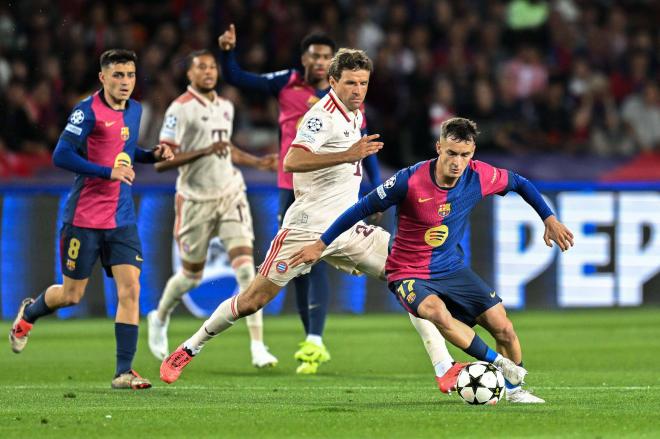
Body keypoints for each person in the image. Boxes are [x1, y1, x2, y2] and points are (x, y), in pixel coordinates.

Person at [160, 49, 467, 391]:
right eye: (350, 83)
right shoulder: (321, 116)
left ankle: (444, 367)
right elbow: (292, 159)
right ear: (333, 82)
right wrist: (348, 154)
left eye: (363, 83)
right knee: (252, 301)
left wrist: (369, 190)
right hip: (307, 229)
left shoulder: (356, 113)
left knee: (409, 282)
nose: (357, 90)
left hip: (349, 229)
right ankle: (189, 347)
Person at [290, 117, 576, 403]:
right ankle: (498, 363)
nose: (457, 162)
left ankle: (514, 391)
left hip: (450, 268)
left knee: (504, 327)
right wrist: (321, 243)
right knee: (435, 312)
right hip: (406, 271)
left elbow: (520, 183)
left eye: (464, 155)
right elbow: (360, 209)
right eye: (451, 153)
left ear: (473, 152)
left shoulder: (480, 176)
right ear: (439, 147)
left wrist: (548, 218)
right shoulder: (409, 179)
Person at [217, 25, 383, 373]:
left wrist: (376, 184)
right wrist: (228, 53)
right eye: (315, 55)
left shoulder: (348, 101)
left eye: (326, 56)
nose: (320, 61)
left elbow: (362, 145)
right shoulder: (286, 83)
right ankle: (309, 336)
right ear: (304, 58)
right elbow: (237, 77)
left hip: (335, 186)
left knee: (317, 256)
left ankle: (315, 338)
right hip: (290, 183)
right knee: (299, 265)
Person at [8, 49, 174, 389]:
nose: (125, 82)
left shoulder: (136, 109)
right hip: (84, 218)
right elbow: (61, 154)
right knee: (71, 295)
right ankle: (29, 314)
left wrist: (150, 154)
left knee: (131, 290)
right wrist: (106, 172)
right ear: (103, 77)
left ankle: (123, 372)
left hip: (122, 219)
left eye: (129, 75)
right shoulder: (87, 112)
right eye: (117, 75)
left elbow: (125, 153)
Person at [147, 49, 279, 368]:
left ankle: (258, 347)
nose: (208, 72)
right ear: (189, 74)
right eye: (201, 67)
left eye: (212, 67)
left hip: (231, 192)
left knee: (247, 270)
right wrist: (204, 150)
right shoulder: (180, 110)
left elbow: (225, 149)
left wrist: (256, 161)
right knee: (191, 276)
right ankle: (160, 315)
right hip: (195, 199)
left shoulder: (225, 106)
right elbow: (163, 163)